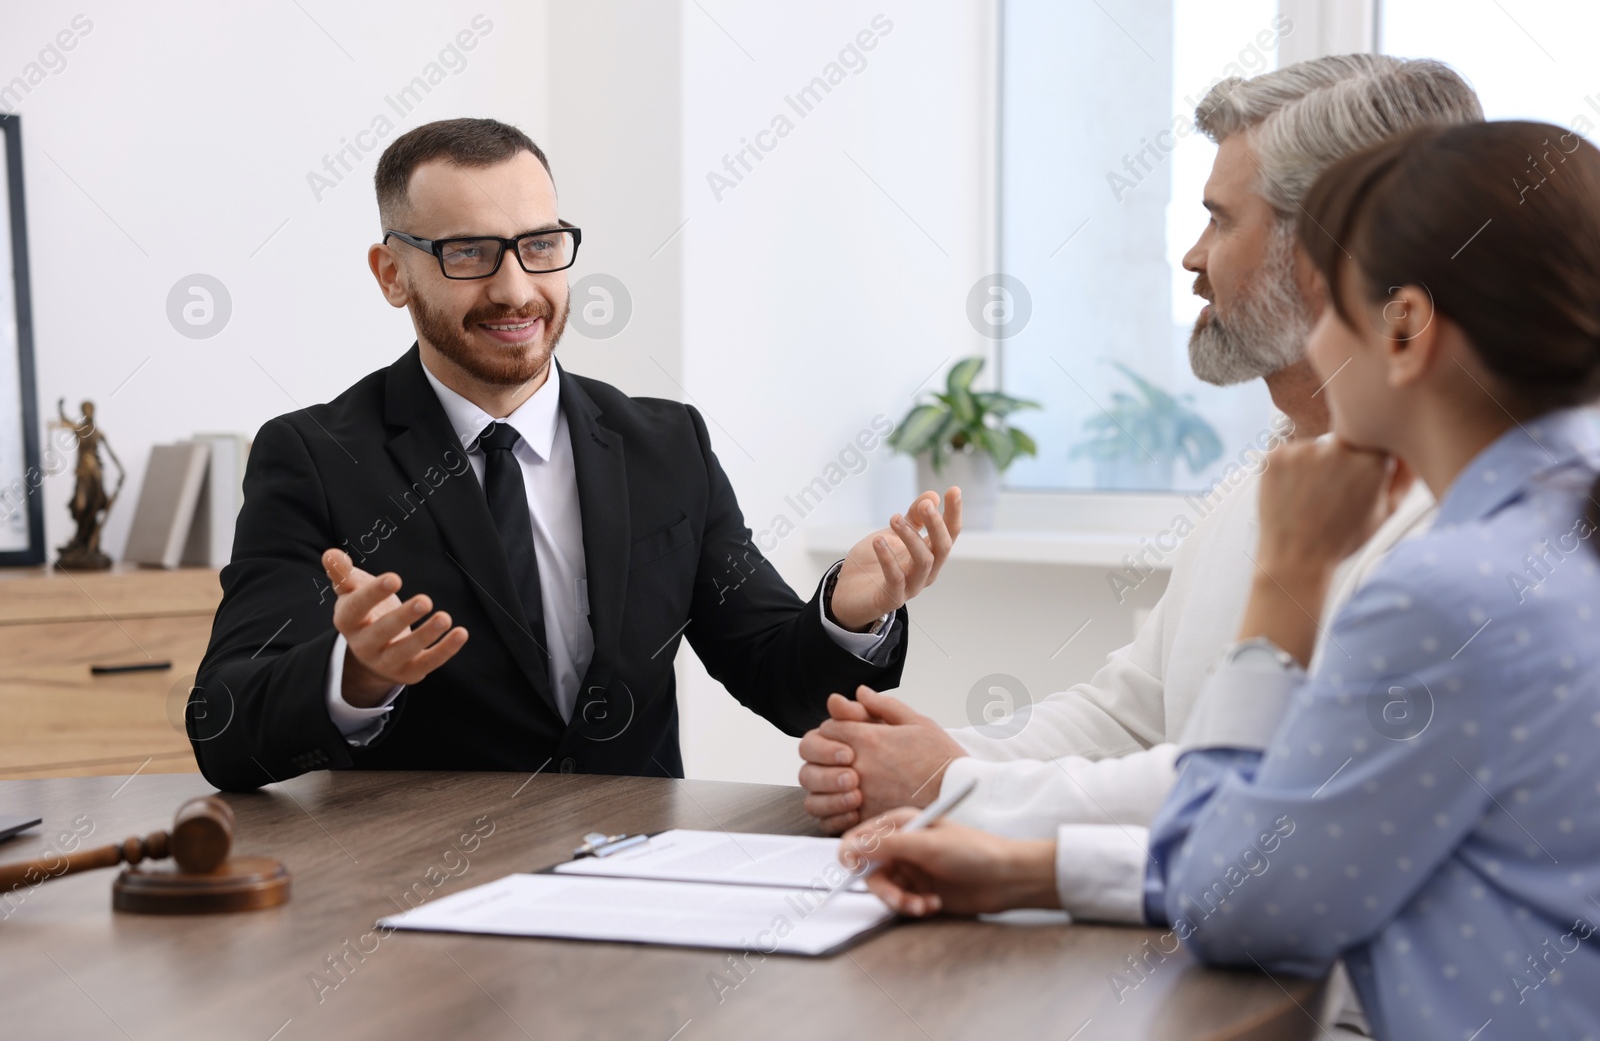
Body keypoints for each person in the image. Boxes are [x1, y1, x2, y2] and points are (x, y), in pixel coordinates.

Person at [843, 119, 1600, 1041]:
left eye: (1328, 313)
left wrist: (1287, 582)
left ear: (1403, 327)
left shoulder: (1450, 595)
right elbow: (1312, 858)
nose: (1314, 349)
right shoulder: (1550, 535)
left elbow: (1242, 899)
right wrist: (1030, 868)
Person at [799, 56, 1481, 874]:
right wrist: (915, 756)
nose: (1193, 258)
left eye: (1222, 221)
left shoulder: (1454, 515)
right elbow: (1130, 717)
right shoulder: (1262, 483)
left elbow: (1273, 791)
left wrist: (952, 782)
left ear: (1327, 253)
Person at [189, 118, 960, 792]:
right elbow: (223, 729)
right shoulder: (313, 456)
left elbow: (784, 687)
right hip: (420, 909)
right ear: (393, 273)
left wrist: (847, 614)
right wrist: (353, 674)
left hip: (639, 891)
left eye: (539, 247)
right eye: (469, 253)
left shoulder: (666, 445)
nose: (516, 289)